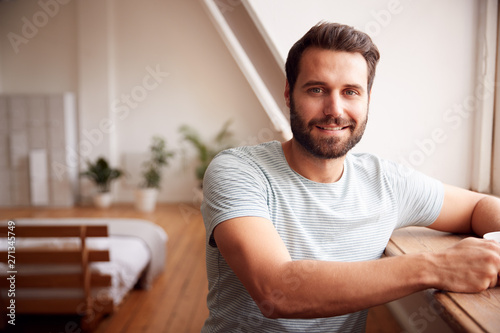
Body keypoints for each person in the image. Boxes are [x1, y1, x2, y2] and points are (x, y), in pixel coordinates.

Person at [200, 22, 500, 332]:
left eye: (350, 92)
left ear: (367, 98)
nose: (334, 109)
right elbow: (276, 292)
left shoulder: (386, 182)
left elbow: (478, 206)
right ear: (289, 93)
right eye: (317, 89)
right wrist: (436, 267)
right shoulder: (238, 171)